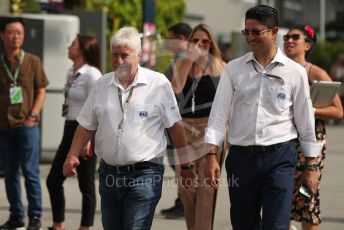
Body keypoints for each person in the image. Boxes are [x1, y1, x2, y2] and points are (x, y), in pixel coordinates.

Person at [62, 26, 195, 230]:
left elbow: (175, 127)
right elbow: (86, 124)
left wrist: (185, 166)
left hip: (145, 174)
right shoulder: (101, 85)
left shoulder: (158, 84)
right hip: (109, 174)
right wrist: (72, 155)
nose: (119, 60)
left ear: (139, 55)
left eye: (125, 55)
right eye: (114, 55)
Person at [204, 5, 323, 230]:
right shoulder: (234, 70)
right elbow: (218, 115)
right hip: (240, 160)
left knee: (276, 224)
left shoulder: (294, 72)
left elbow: (305, 122)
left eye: (256, 32)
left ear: (274, 31)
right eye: (246, 32)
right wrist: (211, 155)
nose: (250, 37)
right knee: (243, 224)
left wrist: (311, 166)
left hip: (280, 157)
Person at [283, 25, 343, 230]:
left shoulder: (316, 72)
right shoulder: (278, 69)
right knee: (280, 194)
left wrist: (310, 110)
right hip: (283, 139)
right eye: (287, 37)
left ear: (307, 45)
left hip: (311, 142)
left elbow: (338, 111)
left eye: (295, 37)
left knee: (307, 195)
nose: (289, 41)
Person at [170, 23, 226, 230]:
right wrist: (188, 60)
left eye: (204, 41)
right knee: (186, 188)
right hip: (184, 130)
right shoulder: (182, 64)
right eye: (195, 41)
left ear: (211, 43)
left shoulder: (221, 67)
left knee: (206, 189)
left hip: (210, 130)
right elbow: (175, 91)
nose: (200, 45)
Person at [46, 34, 102, 230]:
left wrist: (88, 138)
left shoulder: (92, 74)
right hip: (69, 128)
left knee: (85, 184)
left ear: (83, 49)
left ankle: (85, 227)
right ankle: (58, 224)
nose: (69, 46)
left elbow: (97, 107)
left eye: (73, 44)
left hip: (85, 131)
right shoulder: (72, 71)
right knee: (54, 180)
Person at [0, 17, 49, 230]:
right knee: (10, 174)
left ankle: (35, 216)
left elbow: (41, 90)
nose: (15, 36)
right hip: (4, 127)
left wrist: (33, 116)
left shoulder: (33, 61)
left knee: (30, 173)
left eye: (19, 32)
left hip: (27, 126)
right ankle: (16, 216)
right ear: (2, 35)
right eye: (11, 32)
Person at [160, 22, 192, 219]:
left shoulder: (185, 59)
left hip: (180, 119)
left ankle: (185, 202)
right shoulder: (180, 58)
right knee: (178, 164)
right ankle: (181, 201)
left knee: (181, 164)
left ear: (181, 39)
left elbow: (172, 87)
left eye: (170, 39)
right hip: (176, 118)